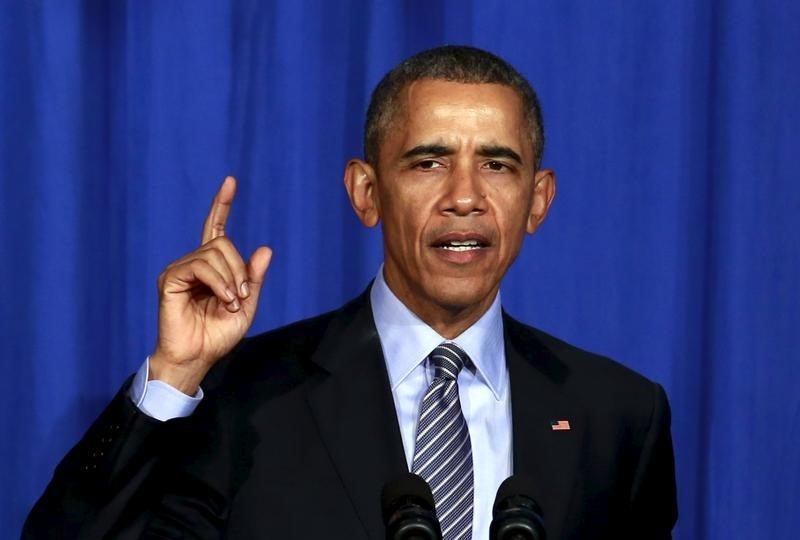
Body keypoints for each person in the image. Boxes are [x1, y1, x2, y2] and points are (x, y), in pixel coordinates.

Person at [23, 45, 677, 539]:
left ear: (537, 200)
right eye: (429, 162)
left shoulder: (619, 416)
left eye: (497, 165)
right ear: (367, 193)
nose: (466, 198)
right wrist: (173, 377)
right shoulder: (242, 400)